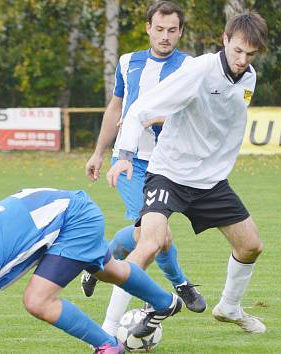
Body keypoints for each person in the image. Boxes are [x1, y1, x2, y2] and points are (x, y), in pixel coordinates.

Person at [106, 11, 269, 334]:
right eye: (237, 51)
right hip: (169, 173)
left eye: (250, 55)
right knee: (149, 244)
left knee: (251, 245)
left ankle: (229, 307)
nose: (242, 60)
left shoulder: (248, 77)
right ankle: (108, 330)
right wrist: (124, 155)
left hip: (210, 181)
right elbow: (141, 108)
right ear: (224, 40)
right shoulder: (198, 70)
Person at [0, 188, 182, 354]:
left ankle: (108, 346)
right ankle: (165, 302)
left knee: (37, 300)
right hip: (65, 210)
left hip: (72, 219)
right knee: (110, 271)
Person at [83, 0, 206, 335]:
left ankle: (97, 262)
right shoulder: (128, 62)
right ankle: (179, 285)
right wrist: (98, 152)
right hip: (130, 161)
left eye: (172, 30)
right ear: (148, 28)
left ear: (180, 31)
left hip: (169, 164)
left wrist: (164, 118)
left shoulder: (190, 67)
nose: (165, 36)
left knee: (144, 235)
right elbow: (115, 108)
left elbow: (196, 114)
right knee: (155, 235)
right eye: (159, 29)